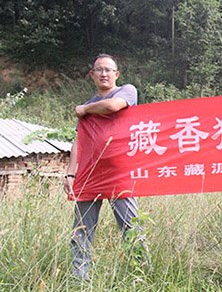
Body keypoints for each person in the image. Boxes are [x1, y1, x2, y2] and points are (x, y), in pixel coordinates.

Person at [64, 54, 148, 279]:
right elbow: (78, 142)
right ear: (92, 75)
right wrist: (71, 174)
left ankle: (140, 275)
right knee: (82, 229)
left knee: (130, 226)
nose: (104, 73)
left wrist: (84, 109)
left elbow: (113, 106)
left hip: (119, 172)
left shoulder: (127, 91)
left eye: (108, 70)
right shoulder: (89, 105)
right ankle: (79, 277)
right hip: (89, 174)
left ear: (116, 74)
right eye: (99, 70)